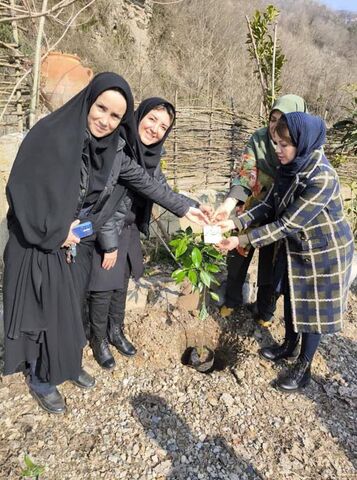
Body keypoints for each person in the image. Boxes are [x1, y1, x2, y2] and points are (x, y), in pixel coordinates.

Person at [3, 73, 207, 414]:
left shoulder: (112, 150)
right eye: (101, 109)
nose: (105, 120)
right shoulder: (50, 135)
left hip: (76, 241)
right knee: (41, 313)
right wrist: (55, 231)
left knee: (68, 309)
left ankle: (65, 365)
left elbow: (148, 183)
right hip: (39, 242)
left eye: (115, 116)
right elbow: (21, 192)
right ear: (89, 101)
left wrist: (191, 209)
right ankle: (41, 377)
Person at [217, 112, 354, 392]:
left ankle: (304, 365)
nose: (277, 150)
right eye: (275, 143)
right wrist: (233, 221)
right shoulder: (290, 166)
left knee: (312, 309)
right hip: (298, 246)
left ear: (303, 142)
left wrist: (241, 240)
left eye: (283, 144)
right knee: (292, 294)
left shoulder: (322, 177)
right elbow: (267, 203)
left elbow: (286, 223)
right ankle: (289, 345)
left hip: (325, 251)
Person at [87, 97, 183, 368]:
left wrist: (197, 209)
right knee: (103, 289)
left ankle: (116, 331)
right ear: (138, 116)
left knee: (121, 284)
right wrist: (109, 244)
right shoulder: (120, 148)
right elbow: (103, 202)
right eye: (151, 119)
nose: (155, 129)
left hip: (127, 230)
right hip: (108, 230)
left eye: (163, 126)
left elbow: (163, 191)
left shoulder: (152, 158)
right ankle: (98, 340)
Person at [213, 95, 308, 326]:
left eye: (282, 120)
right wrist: (228, 206)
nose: (275, 126)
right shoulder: (258, 139)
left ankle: (265, 310)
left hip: (282, 214)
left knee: (272, 263)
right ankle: (232, 300)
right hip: (253, 207)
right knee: (238, 255)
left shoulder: (302, 147)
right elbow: (246, 174)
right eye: (272, 119)